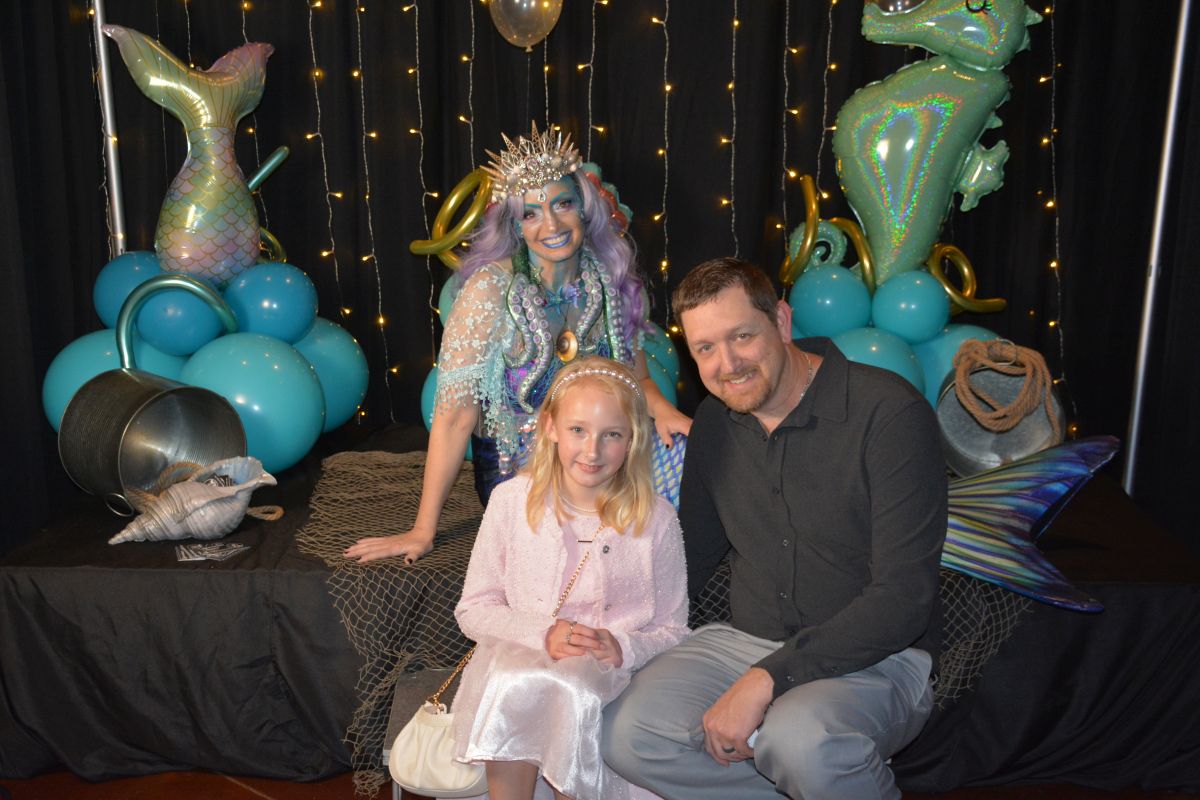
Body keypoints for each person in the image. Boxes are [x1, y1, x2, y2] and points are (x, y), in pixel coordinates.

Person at [602, 258, 948, 800]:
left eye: (742, 336)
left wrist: (767, 679)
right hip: (744, 642)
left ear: (781, 322)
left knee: (800, 741)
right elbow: (688, 557)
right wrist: (604, 621)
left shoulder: (889, 414)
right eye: (705, 348)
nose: (728, 364)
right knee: (626, 733)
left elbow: (904, 599)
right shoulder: (715, 421)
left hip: (874, 657)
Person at [345, 123, 690, 565]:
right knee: (598, 530)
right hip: (522, 470)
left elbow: (637, 379)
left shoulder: (607, 277)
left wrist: (669, 415)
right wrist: (422, 530)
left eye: (563, 204)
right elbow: (454, 419)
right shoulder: (489, 290)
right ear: (515, 225)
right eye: (531, 213)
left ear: (584, 209)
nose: (552, 225)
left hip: (599, 452)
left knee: (684, 462)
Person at [449, 357, 689, 800]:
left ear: (633, 439)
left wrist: (623, 646)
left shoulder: (656, 519)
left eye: (611, 434)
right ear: (550, 427)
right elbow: (474, 609)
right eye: (578, 429)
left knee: (574, 688)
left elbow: (675, 630)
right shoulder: (510, 502)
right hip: (520, 662)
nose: (592, 451)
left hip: (609, 678)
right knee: (517, 682)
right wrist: (544, 633)